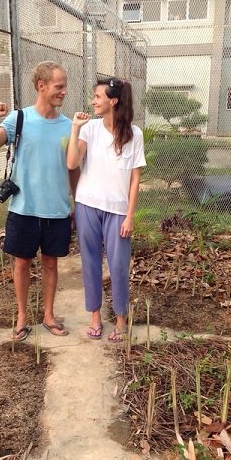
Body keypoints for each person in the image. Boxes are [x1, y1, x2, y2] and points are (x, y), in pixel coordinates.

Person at [0, 61, 78, 341]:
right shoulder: (19, 119)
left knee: (51, 263)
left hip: (57, 210)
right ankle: (22, 316)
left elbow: (73, 169)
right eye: (59, 86)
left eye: (64, 86)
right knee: (21, 263)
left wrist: (77, 204)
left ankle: (48, 315)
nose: (64, 92)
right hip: (23, 209)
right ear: (41, 86)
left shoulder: (69, 126)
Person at [66, 77, 146, 342]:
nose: (93, 101)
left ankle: (120, 319)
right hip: (87, 205)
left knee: (119, 266)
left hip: (118, 211)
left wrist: (130, 216)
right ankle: (95, 317)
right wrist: (76, 129)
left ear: (113, 101)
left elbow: (135, 178)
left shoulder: (135, 135)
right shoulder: (89, 129)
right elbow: (71, 163)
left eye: (97, 96)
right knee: (90, 264)